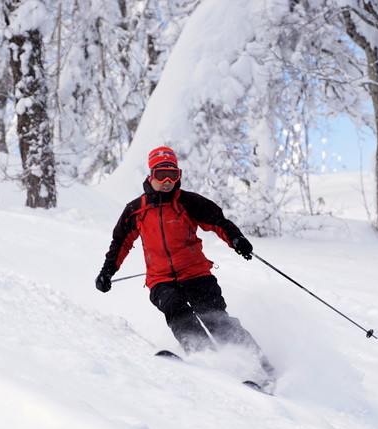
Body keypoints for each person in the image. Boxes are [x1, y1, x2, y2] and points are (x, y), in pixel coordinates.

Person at [95, 146, 276, 388]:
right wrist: (107, 272)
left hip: (197, 274)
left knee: (216, 320)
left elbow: (219, 222)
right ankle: (206, 358)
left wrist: (236, 240)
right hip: (160, 279)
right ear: (151, 175)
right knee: (176, 309)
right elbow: (120, 243)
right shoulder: (135, 210)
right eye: (161, 175)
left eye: (173, 175)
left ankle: (264, 370)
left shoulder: (190, 202)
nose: (167, 181)